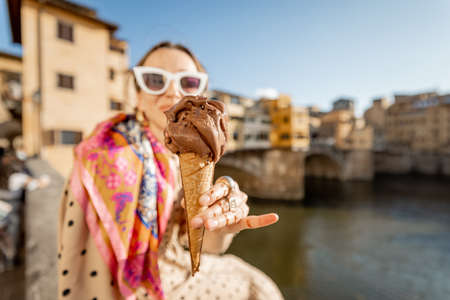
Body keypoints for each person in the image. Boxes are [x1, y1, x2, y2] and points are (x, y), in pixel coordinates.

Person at [58, 41, 284, 300]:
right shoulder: (101, 153)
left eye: (188, 82)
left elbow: (207, 248)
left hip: (180, 267)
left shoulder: (190, 153)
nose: (173, 92)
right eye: (155, 80)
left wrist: (220, 230)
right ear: (139, 97)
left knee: (262, 288)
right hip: (131, 287)